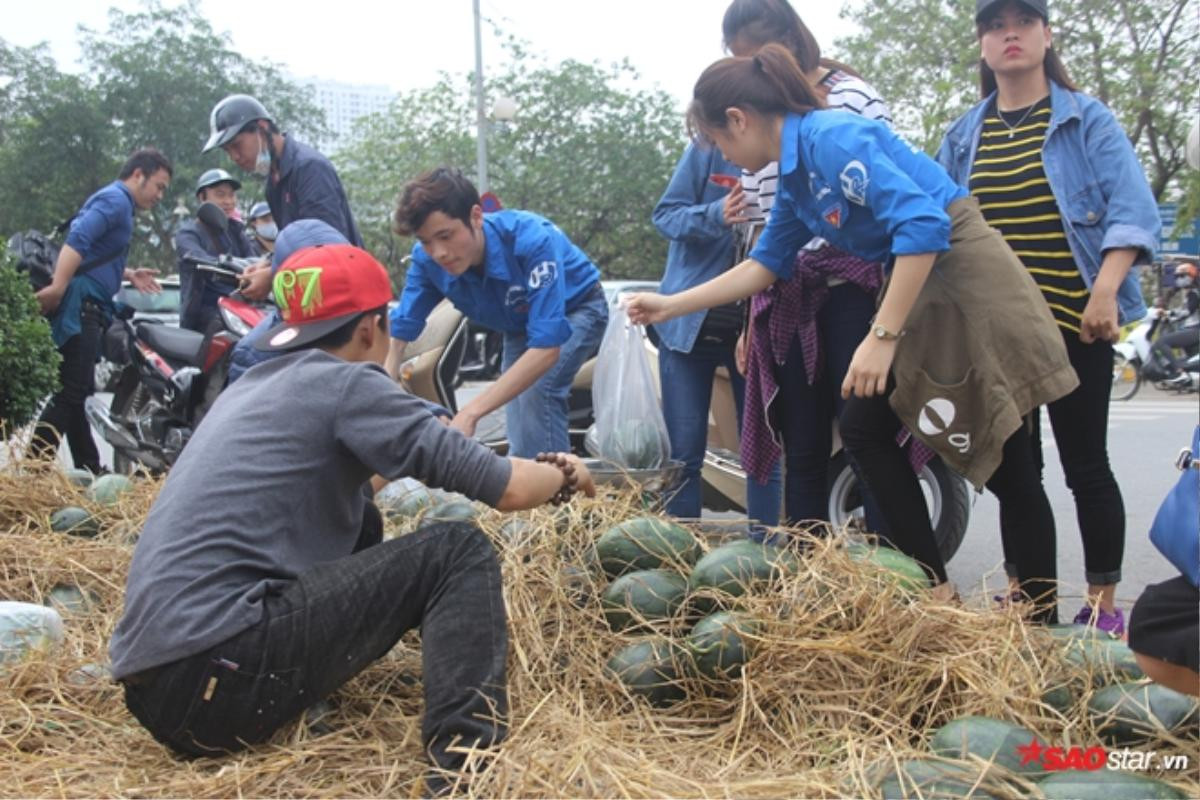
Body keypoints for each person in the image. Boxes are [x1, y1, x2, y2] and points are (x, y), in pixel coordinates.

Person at [109, 242, 595, 790]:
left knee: (361, 516)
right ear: (372, 328)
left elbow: (358, 481)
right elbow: (506, 489)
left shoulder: (253, 387)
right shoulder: (348, 383)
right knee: (457, 551)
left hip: (162, 693)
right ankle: (465, 772)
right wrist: (571, 473)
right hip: (221, 677)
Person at [625, 45, 1079, 610]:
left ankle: (1038, 615)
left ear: (737, 119)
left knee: (1009, 456)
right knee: (864, 426)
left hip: (960, 272)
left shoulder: (831, 139)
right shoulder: (795, 178)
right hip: (918, 276)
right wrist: (671, 305)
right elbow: (765, 264)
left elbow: (923, 223)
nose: (723, 155)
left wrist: (881, 337)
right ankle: (936, 591)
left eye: (719, 140)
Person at [936, 0, 1160, 633]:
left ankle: (1104, 605)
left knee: (1086, 462)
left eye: (1024, 22)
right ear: (982, 44)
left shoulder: (1085, 120)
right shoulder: (963, 135)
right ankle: (1028, 596)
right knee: (1015, 468)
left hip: (1073, 317)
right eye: (996, 25)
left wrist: (1107, 290)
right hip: (995, 331)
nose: (1010, 34)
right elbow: (940, 223)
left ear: (1045, 35)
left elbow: (1132, 211)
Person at [721, 0, 893, 529]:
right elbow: (765, 234)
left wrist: (887, 325)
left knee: (865, 436)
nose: (748, 77)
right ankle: (807, 579)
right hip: (785, 292)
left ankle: (893, 576)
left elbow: (897, 211)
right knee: (801, 443)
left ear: (788, 45)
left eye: (753, 62)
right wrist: (753, 318)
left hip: (852, 288)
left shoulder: (849, 102)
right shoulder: (756, 123)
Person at [387, 167, 609, 459]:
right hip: (518, 325)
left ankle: (555, 495)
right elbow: (400, 333)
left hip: (579, 308)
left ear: (476, 217)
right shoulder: (427, 262)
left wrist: (470, 413)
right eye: (426, 241)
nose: (439, 252)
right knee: (515, 399)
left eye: (446, 235)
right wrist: (386, 383)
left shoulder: (531, 240)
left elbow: (546, 350)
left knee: (536, 389)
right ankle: (526, 487)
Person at [651, 141, 782, 525]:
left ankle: (765, 554)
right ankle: (677, 559)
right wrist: (715, 213)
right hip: (686, 330)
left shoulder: (783, 150)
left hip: (754, 328)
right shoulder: (709, 149)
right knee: (684, 454)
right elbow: (665, 216)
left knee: (763, 451)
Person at [30, 148, 172, 474]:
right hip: (82, 306)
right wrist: (58, 286)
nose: (160, 195)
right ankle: (33, 470)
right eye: (159, 186)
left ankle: (90, 468)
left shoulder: (118, 202)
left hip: (89, 304)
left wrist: (129, 273)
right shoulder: (116, 200)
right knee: (71, 393)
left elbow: (93, 253)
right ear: (139, 174)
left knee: (75, 392)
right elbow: (78, 240)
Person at [202, 93, 362, 301]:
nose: (234, 157)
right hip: (309, 296)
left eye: (237, 145)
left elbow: (326, 246)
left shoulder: (309, 169)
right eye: (227, 150)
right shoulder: (274, 183)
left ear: (262, 129)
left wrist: (271, 275)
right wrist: (268, 261)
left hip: (341, 295)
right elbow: (293, 241)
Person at [175, 168, 258, 332]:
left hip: (239, 310)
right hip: (204, 316)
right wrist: (228, 265)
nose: (228, 201)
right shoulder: (188, 233)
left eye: (232, 195)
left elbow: (255, 260)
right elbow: (194, 256)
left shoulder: (236, 231)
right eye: (220, 195)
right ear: (202, 197)